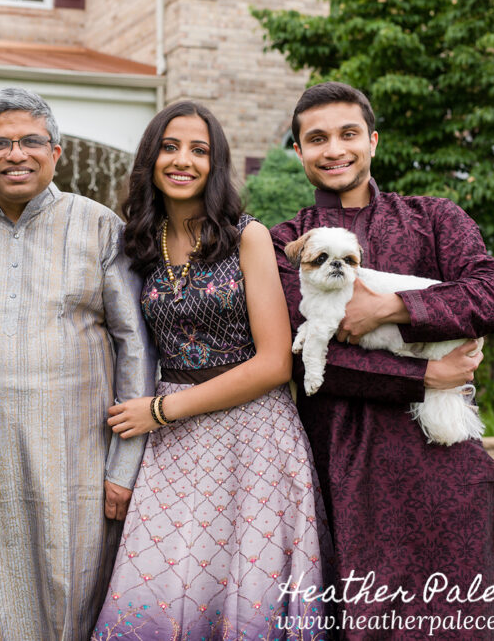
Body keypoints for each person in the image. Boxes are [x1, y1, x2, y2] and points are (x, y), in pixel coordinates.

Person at [270, 81, 494, 639]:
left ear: (373, 141)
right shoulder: (285, 243)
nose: (334, 149)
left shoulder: (434, 218)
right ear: (298, 152)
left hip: (440, 456)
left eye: (348, 134)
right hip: (341, 456)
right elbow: (297, 356)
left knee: (463, 609)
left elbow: (493, 297)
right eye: (316, 139)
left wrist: (390, 307)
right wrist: (425, 374)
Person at [0, 87, 157, 640]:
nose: (14, 154)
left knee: (77, 601)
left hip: (81, 467)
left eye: (30, 141)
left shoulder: (99, 228)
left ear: (56, 152)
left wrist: (124, 467)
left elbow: (134, 348)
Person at [91, 101, 330, 639]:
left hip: (253, 437)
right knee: (159, 584)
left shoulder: (246, 236)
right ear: (151, 158)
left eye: (199, 150)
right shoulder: (136, 242)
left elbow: (273, 363)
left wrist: (161, 409)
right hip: (173, 448)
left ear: (215, 164)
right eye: (170, 147)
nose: (183, 161)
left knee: (247, 591)